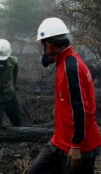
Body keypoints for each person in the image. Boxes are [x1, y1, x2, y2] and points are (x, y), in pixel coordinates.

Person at [27, 17, 101, 174]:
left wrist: (76, 145)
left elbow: (80, 109)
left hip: (78, 146)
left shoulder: (71, 67)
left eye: (43, 44)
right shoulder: (64, 60)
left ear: (49, 44)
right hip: (60, 141)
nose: (42, 49)